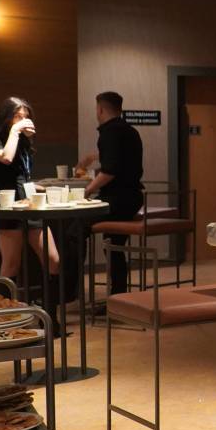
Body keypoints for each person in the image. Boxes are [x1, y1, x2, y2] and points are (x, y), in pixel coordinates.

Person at [0, 96, 59, 281]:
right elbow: (6, 158)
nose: (23, 120)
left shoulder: (23, 143)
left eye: (26, 116)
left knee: (53, 260)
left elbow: (20, 176)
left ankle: (52, 300)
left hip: (30, 204)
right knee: (11, 264)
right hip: (9, 205)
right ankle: (3, 301)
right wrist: (15, 131)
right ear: (6, 117)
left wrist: (42, 187)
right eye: (18, 116)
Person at [79, 91, 144, 294]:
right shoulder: (129, 130)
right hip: (132, 198)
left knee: (75, 227)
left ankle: (70, 285)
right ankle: (118, 295)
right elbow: (120, 159)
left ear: (100, 109)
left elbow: (110, 171)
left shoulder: (109, 132)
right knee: (114, 246)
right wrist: (94, 157)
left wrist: (88, 190)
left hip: (116, 199)